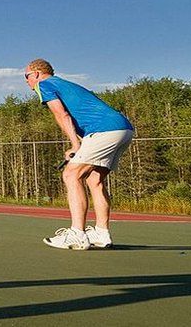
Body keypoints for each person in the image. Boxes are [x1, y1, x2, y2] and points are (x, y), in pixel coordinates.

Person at [24, 59, 134, 250]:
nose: (26, 81)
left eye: (26, 77)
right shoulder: (65, 84)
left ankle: (77, 233)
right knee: (94, 180)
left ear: (37, 74)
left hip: (103, 130)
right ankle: (101, 233)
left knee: (71, 174)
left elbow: (62, 116)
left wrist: (75, 145)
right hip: (123, 129)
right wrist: (81, 144)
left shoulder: (45, 84)